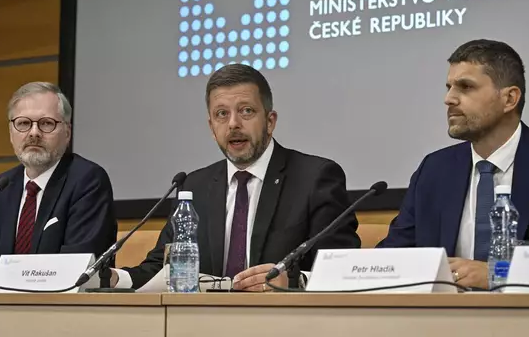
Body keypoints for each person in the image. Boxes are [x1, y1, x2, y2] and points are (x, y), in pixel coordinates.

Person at [111, 64, 361, 291]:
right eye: (222, 114)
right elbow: (163, 268)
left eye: (246, 111)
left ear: (270, 121)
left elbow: (342, 268)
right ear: (211, 128)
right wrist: (113, 278)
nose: (233, 124)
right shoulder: (194, 186)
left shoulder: (315, 178)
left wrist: (295, 281)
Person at [377, 39, 529, 289]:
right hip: (441, 321)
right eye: (449, 87)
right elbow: (394, 257)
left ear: (509, 99)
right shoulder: (434, 170)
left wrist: (500, 274)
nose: (449, 98)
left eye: (465, 87)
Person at [0, 82, 118, 291]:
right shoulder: (1, 187)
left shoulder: (87, 180)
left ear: (67, 133)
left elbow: (73, 271)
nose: (34, 133)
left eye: (46, 123)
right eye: (23, 123)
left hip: (66, 314)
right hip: (0, 315)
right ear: (11, 132)